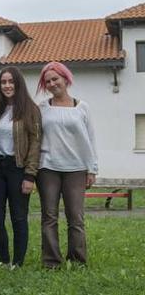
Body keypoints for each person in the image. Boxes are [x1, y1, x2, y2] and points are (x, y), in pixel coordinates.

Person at [36, 61, 97, 269]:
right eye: (48, 81)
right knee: (49, 217)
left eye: (55, 79)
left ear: (65, 78)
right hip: (47, 168)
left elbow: (90, 139)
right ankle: (51, 261)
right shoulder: (42, 108)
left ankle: (77, 260)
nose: (52, 83)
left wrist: (92, 168)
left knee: (76, 218)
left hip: (76, 169)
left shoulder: (82, 107)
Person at [0, 66, 41, 268]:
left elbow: (36, 143)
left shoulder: (30, 110)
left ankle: (17, 262)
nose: (7, 86)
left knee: (18, 217)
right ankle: (3, 259)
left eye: (11, 82)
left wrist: (30, 175)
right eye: (3, 82)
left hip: (18, 168)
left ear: (18, 84)